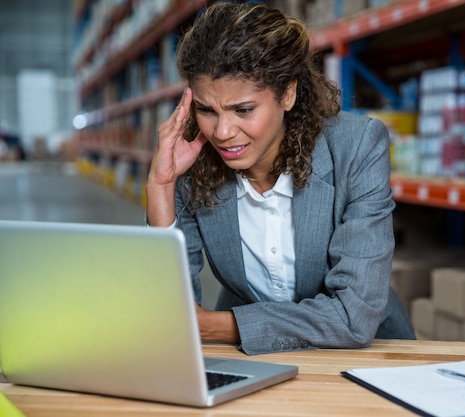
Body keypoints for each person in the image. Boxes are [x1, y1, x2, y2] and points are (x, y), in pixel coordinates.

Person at [146, 1, 415, 355]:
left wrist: (225, 325)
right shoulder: (191, 163)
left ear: (287, 93)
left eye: (243, 110)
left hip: (368, 354)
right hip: (255, 356)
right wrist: (162, 188)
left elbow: (354, 316)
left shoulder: (357, 147)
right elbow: (172, 315)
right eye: (207, 110)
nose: (222, 132)